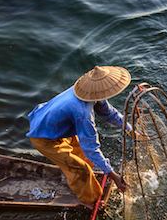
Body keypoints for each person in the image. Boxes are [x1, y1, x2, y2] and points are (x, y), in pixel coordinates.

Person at [27, 65, 131, 208]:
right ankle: (87, 200)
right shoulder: (82, 113)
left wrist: (131, 130)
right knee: (81, 168)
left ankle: (84, 181)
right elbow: (91, 148)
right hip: (43, 137)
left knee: (83, 155)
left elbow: (108, 113)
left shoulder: (87, 91)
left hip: (51, 124)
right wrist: (115, 177)